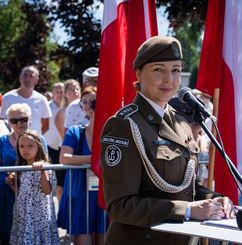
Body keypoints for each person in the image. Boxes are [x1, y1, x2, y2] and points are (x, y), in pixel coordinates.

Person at [100, 36, 234, 245]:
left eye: (176, 70)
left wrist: (214, 199)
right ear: (138, 73)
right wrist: (189, 210)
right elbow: (120, 206)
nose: (169, 79)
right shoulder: (124, 125)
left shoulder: (180, 122)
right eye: (158, 70)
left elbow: (188, 185)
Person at [58, 86, 106, 245]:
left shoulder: (110, 131)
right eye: (84, 102)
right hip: (79, 193)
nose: (88, 106)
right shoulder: (75, 131)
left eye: (93, 102)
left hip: (102, 195)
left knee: (103, 239)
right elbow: (64, 158)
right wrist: (93, 159)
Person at [0, 103, 48, 244]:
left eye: (23, 119)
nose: (19, 123)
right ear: (8, 122)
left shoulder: (39, 139)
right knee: (8, 229)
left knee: (31, 233)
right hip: (7, 193)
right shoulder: (2, 141)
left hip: (32, 194)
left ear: (30, 119)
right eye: (14, 120)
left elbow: (46, 162)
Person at [10, 130, 59, 244]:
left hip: (39, 214)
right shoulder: (21, 167)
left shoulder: (45, 166)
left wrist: (42, 171)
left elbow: (47, 191)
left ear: (39, 147)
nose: (25, 149)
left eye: (30, 146)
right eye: (22, 146)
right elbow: (22, 192)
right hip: (24, 212)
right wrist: (12, 183)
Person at [0, 65, 52, 134]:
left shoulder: (42, 100)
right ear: (20, 78)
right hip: (12, 142)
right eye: (25, 75)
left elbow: (46, 125)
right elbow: (1, 121)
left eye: (31, 76)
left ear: (36, 80)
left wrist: (34, 138)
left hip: (34, 143)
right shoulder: (7, 98)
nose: (27, 78)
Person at [54, 79, 81, 201]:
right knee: (62, 184)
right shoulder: (62, 112)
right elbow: (65, 136)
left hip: (79, 150)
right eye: (71, 89)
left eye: (77, 88)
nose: (75, 91)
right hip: (66, 149)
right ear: (65, 93)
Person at [63, 67, 99, 136]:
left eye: (96, 81)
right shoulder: (74, 107)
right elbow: (68, 135)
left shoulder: (107, 105)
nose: (94, 85)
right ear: (84, 84)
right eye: (90, 82)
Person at [43, 83, 64, 185]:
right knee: (49, 177)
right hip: (49, 147)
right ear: (52, 93)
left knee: (61, 180)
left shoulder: (67, 107)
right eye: (57, 92)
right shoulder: (46, 106)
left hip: (62, 146)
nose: (59, 94)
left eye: (62, 92)